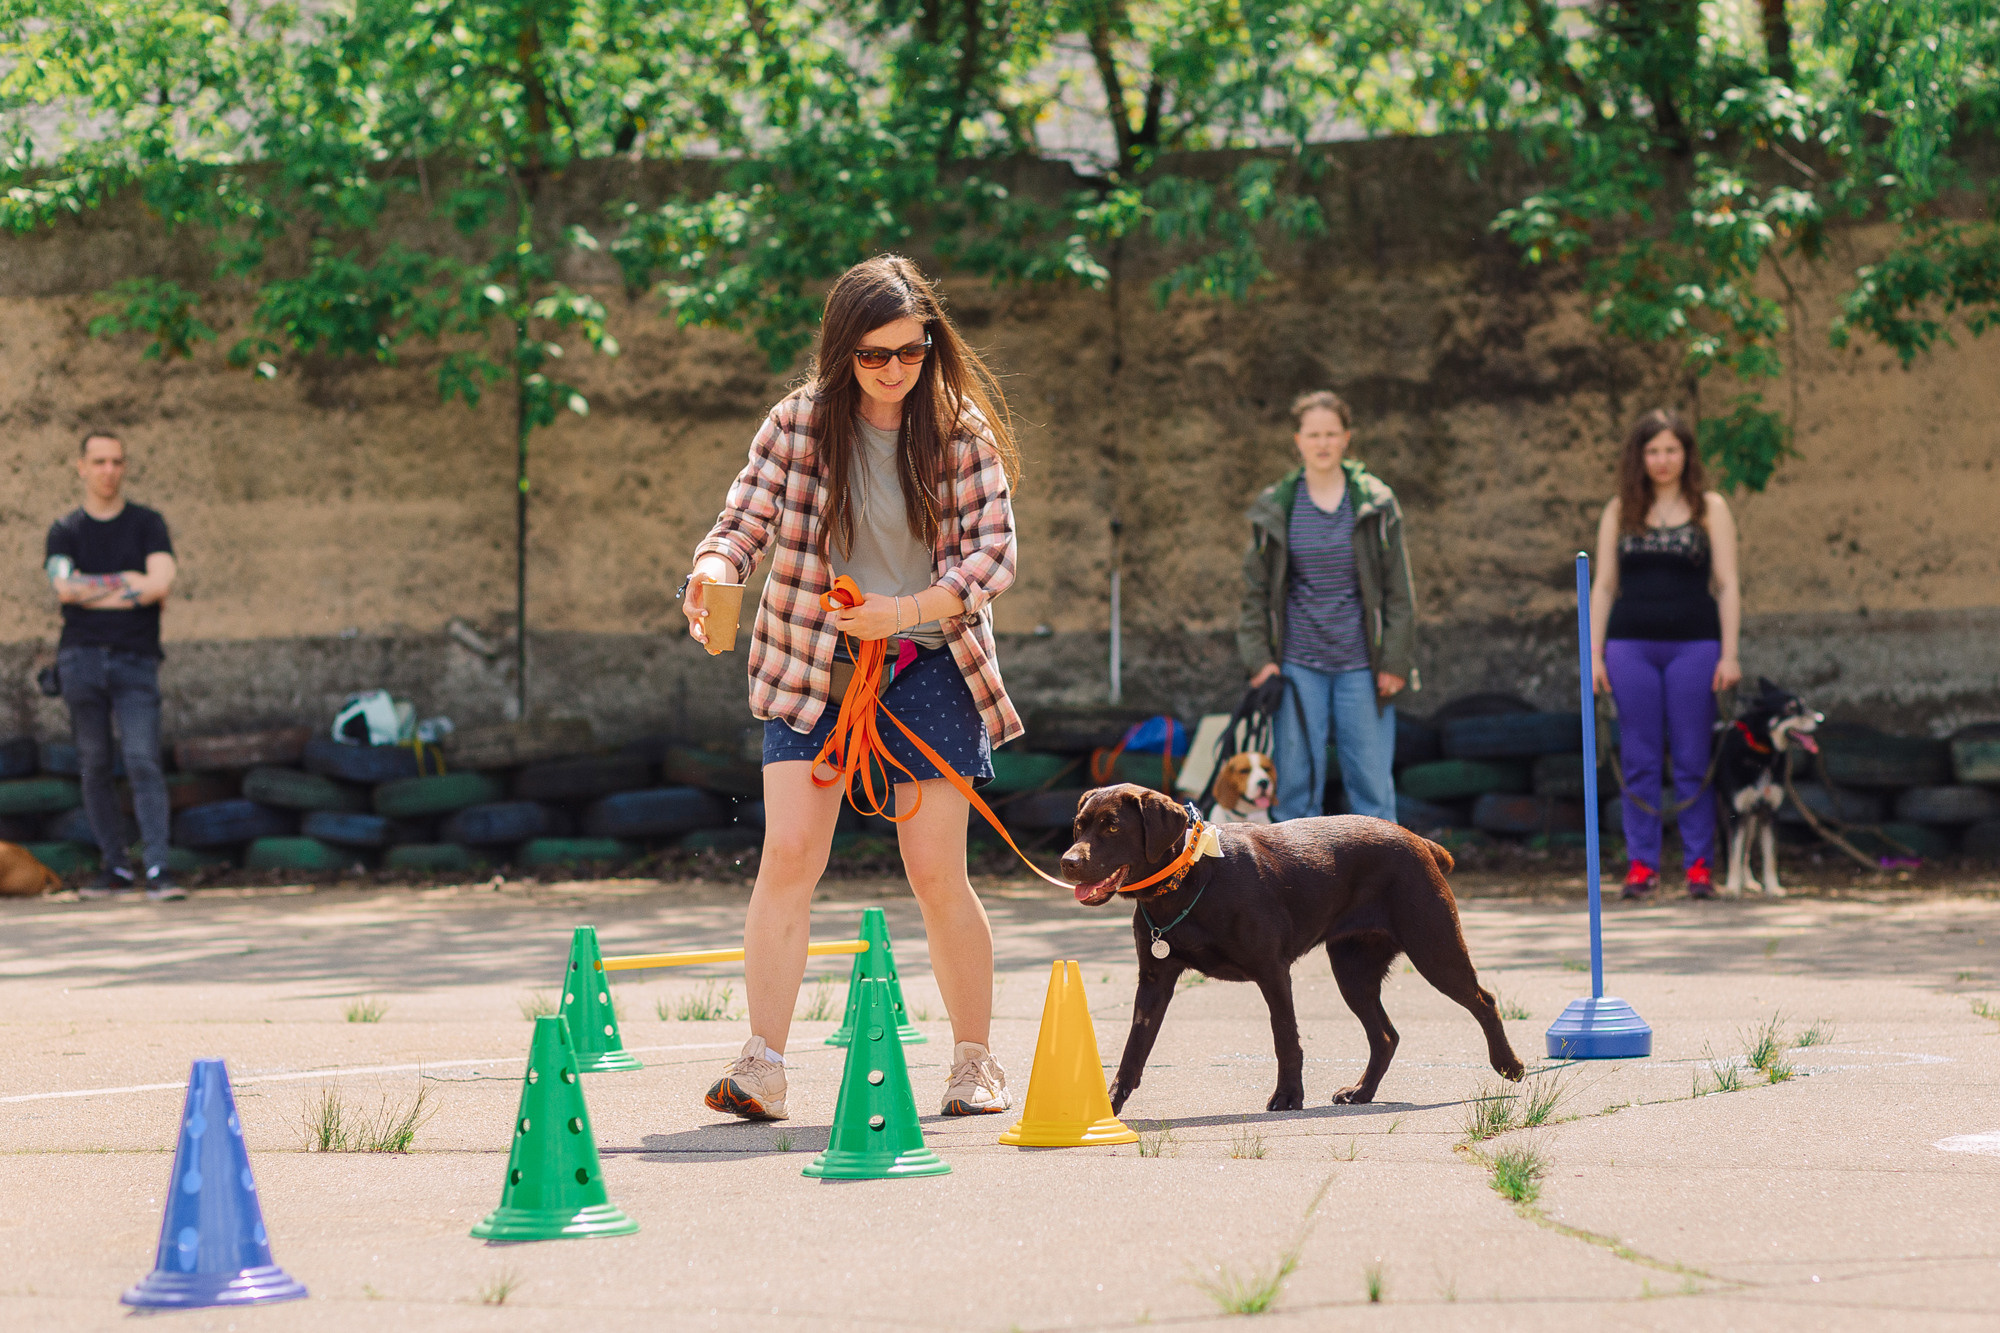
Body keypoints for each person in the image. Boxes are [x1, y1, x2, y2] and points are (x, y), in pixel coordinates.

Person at [680, 255, 1022, 1122]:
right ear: (842, 351)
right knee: (790, 854)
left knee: (936, 870)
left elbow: (992, 555)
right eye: (875, 354)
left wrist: (904, 608)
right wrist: (713, 569)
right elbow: (741, 523)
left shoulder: (961, 431)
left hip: (929, 662)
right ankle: (761, 1064)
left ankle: (975, 1062)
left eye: (912, 350)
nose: (896, 370)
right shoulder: (797, 423)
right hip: (815, 665)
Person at [1239, 391, 1418, 824]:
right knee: (1296, 788)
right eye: (1313, 434)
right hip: (1298, 665)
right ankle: (1296, 887)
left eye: (1331, 434)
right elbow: (1253, 595)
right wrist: (1259, 661)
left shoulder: (1376, 503)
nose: (1322, 443)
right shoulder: (1276, 506)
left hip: (1362, 664)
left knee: (1372, 788)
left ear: (1346, 439)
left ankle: (1380, 886)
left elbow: (1399, 592)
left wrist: (1395, 660)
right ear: (1298, 440)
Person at [1589, 408, 1742, 900]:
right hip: (1630, 647)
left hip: (1696, 647)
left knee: (1695, 757)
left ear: (1686, 454)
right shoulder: (1620, 509)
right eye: (1652, 450)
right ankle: (1642, 866)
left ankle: (1699, 867)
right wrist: (1592, 655)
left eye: (1671, 449)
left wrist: (1730, 653)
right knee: (1639, 759)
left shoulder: (1710, 507)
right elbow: (1604, 585)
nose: (1662, 459)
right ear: (1640, 456)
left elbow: (1728, 583)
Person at [45, 430, 182, 901]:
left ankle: (159, 869)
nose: (109, 471)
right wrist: (128, 583)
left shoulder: (148, 524)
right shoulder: (65, 530)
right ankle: (116, 869)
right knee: (94, 765)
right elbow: (65, 590)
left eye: (117, 461)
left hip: (136, 661)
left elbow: (160, 584)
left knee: (144, 760)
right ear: (81, 467)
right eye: (99, 461)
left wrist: (94, 590)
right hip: (80, 661)